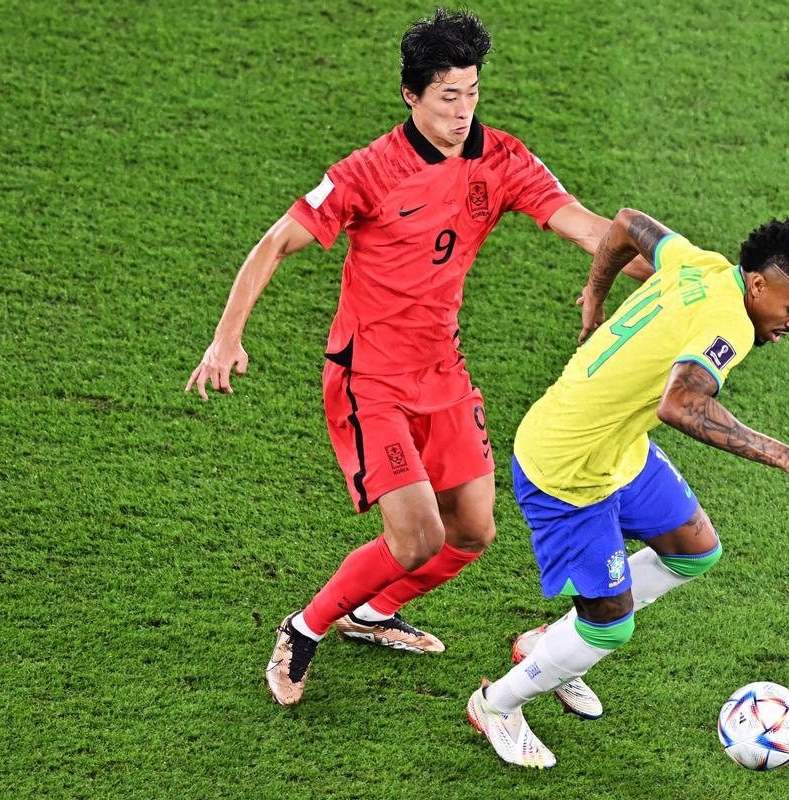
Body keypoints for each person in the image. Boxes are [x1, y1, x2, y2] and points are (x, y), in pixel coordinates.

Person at [184, 9, 649, 707]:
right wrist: (227, 337)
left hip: (443, 373)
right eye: (447, 97)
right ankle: (304, 627)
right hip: (368, 378)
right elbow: (277, 241)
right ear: (411, 96)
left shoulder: (503, 159)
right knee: (416, 535)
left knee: (471, 531)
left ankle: (371, 615)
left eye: (473, 93)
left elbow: (587, 228)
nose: (464, 112)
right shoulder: (369, 171)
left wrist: (675, 269)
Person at [465, 209, 789, 768]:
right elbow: (681, 403)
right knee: (610, 628)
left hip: (621, 449)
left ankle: (548, 646)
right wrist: (786, 455)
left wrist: (595, 296)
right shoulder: (732, 325)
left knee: (695, 553)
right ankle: (495, 705)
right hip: (568, 468)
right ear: (760, 286)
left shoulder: (704, 265)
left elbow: (625, 225)